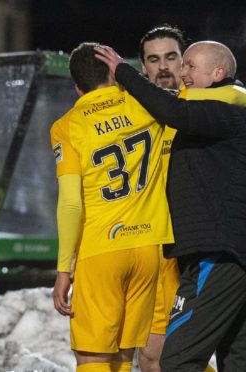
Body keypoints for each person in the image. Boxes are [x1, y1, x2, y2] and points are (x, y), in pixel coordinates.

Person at [95, 40, 246, 371]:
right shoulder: (239, 110)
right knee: (238, 361)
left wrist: (124, 72)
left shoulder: (224, 110)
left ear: (218, 73)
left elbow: (174, 110)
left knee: (178, 358)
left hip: (223, 254)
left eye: (190, 66)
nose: (182, 73)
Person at [50, 42, 173, 372]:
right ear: (115, 74)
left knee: (92, 359)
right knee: (122, 358)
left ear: (77, 87)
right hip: (148, 249)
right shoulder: (145, 106)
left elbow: (71, 203)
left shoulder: (68, 125)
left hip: (101, 249)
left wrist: (64, 268)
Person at [136, 25, 185, 372]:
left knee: (167, 356)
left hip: (192, 251)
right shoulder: (132, 114)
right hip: (148, 248)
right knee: (152, 356)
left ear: (186, 63)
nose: (163, 67)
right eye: (154, 60)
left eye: (171, 57)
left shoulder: (205, 107)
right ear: (143, 68)